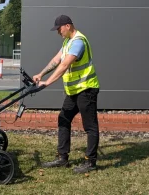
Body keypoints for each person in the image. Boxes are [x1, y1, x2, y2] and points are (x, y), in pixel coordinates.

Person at [32, 15, 100, 174]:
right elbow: (56, 60)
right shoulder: (67, 42)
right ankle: (63, 158)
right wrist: (41, 74)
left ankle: (91, 162)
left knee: (90, 126)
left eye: (59, 28)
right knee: (63, 118)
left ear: (68, 26)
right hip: (74, 91)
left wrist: (47, 82)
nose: (58, 32)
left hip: (86, 89)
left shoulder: (78, 42)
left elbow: (64, 65)